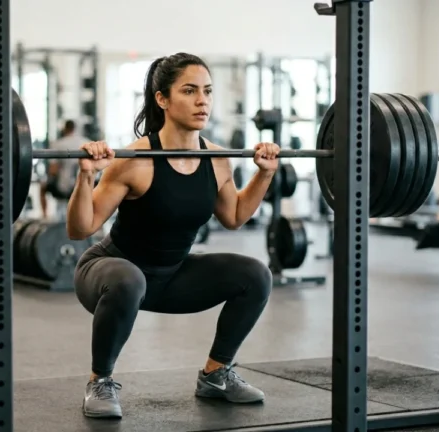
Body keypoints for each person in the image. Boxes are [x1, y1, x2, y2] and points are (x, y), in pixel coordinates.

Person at [66, 53, 279, 419]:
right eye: (190, 91)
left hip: (171, 275)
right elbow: (80, 228)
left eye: (208, 92)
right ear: (162, 98)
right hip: (109, 273)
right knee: (129, 278)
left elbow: (235, 216)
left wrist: (265, 173)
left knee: (255, 275)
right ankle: (99, 381)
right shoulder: (135, 160)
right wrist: (86, 175)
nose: (202, 101)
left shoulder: (217, 157)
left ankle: (215, 374)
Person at [39, 119, 87, 220]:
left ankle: (44, 216)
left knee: (42, 187)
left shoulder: (57, 144)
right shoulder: (87, 142)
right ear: (75, 129)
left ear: (65, 129)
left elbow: (53, 170)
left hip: (63, 187)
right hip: (84, 185)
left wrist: (49, 179)